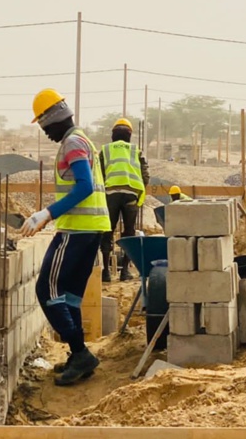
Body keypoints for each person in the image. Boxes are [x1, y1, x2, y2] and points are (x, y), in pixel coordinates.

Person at [21, 88, 111, 386]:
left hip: (76, 230)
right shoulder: (82, 139)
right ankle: (77, 355)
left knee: (47, 290)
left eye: (44, 125)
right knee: (70, 294)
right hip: (93, 229)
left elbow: (84, 186)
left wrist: (47, 213)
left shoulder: (72, 143)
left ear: (53, 117)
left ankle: (81, 353)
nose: (45, 133)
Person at [98, 118, 150, 283]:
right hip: (131, 195)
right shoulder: (136, 151)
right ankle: (125, 271)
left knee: (107, 231)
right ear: (129, 134)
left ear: (113, 134)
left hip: (110, 195)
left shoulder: (105, 150)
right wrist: (137, 190)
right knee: (129, 233)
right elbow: (145, 175)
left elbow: (98, 174)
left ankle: (106, 272)